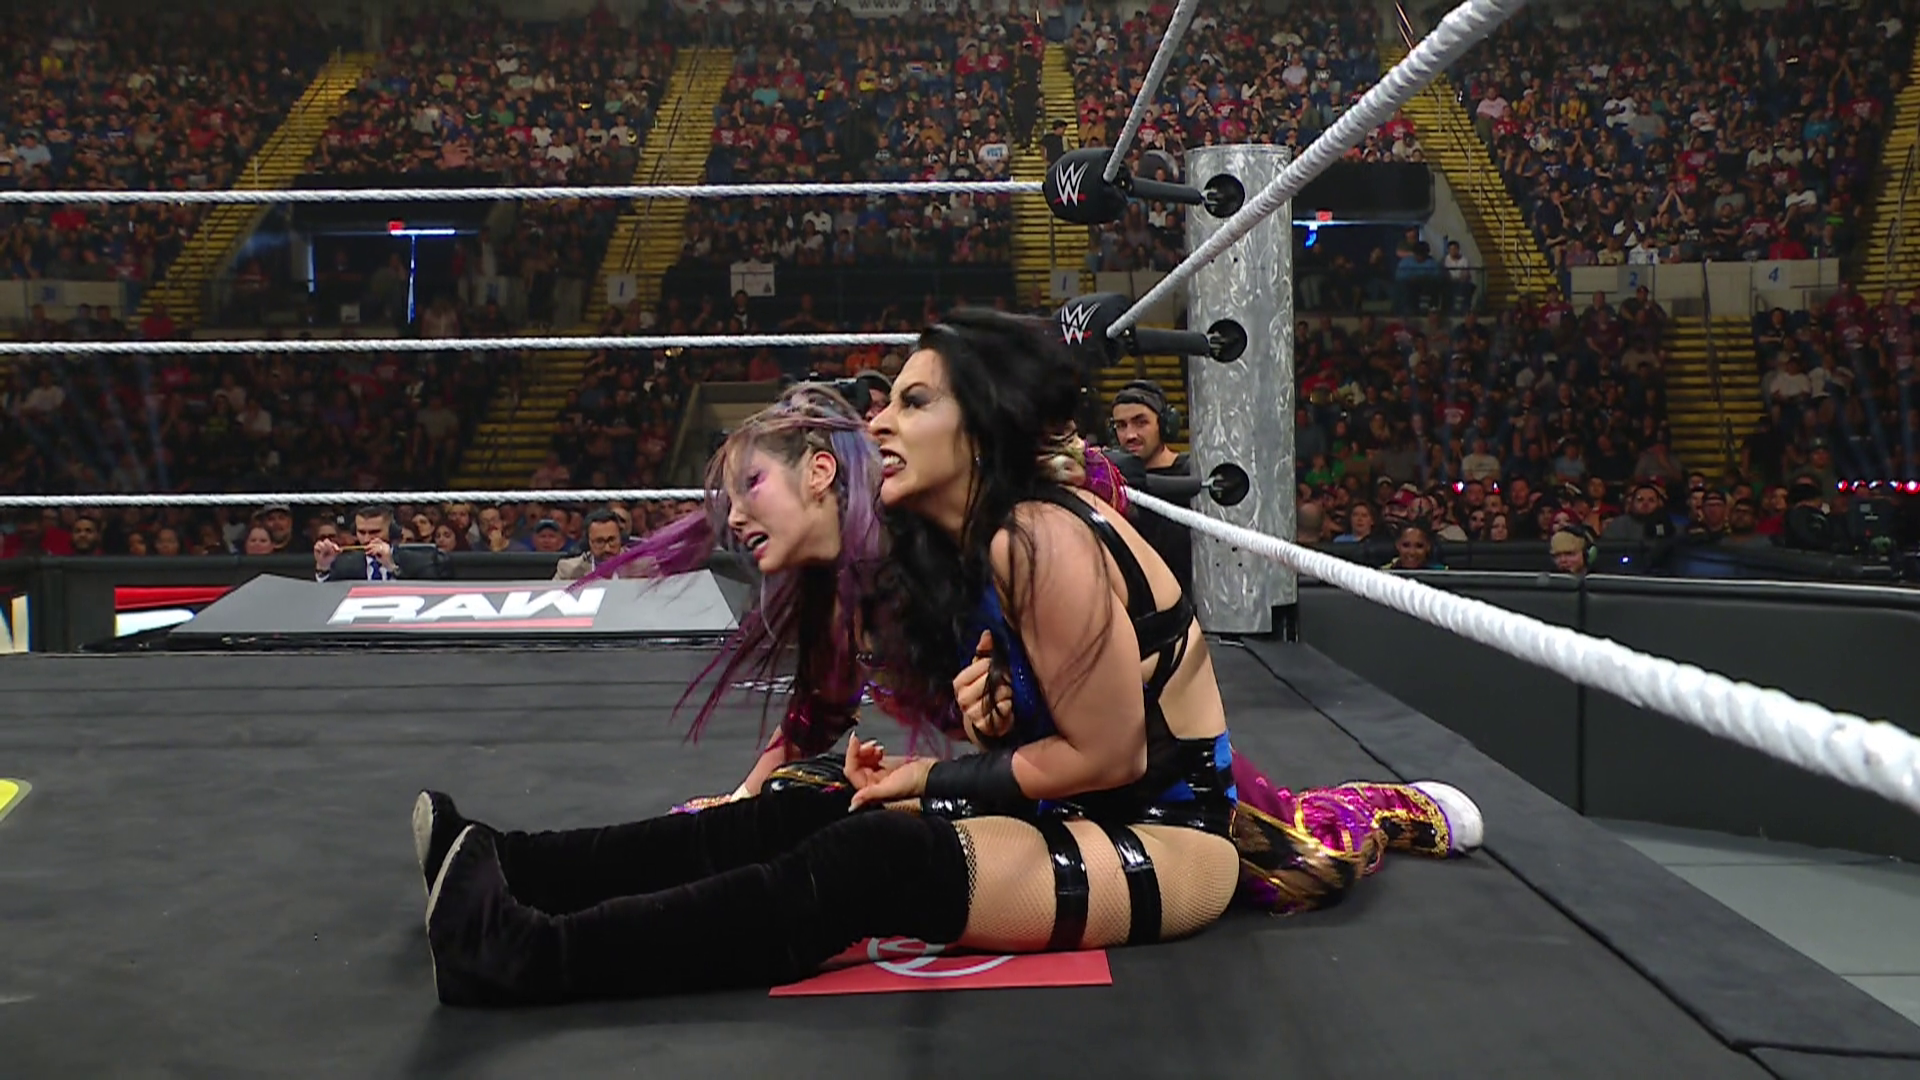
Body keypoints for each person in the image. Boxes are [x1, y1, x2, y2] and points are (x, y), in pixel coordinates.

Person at [415, 324, 1479, 1007]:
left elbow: (1109, 755)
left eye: (914, 402)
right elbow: (997, 722)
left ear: (982, 429)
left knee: (872, 858)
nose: (879, 419)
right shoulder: (960, 549)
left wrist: (936, 772)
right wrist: (984, 719)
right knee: (809, 808)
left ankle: (525, 959)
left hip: (1170, 832)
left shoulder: (1040, 536)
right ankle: (518, 864)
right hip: (1082, 806)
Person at [1108, 380, 1195, 594]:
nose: (1130, 435)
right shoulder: (1112, 481)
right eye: (1121, 425)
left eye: (1141, 422)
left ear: (1164, 425)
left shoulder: (1192, 472)